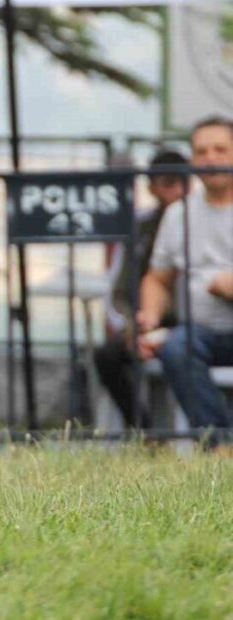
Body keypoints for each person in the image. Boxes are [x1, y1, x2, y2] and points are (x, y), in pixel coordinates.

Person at [138, 116, 233, 433]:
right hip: (199, 332)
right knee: (176, 347)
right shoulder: (179, 213)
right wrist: (150, 316)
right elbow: (158, 278)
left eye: (221, 149)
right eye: (202, 151)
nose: (211, 159)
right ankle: (217, 442)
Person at [94, 150, 188, 428]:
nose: (177, 190)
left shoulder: (201, 222)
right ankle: (145, 432)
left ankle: (206, 438)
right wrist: (132, 328)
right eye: (168, 182)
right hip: (146, 323)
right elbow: (118, 289)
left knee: (184, 349)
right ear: (152, 187)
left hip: (191, 325)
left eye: (182, 181)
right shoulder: (138, 228)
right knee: (107, 356)